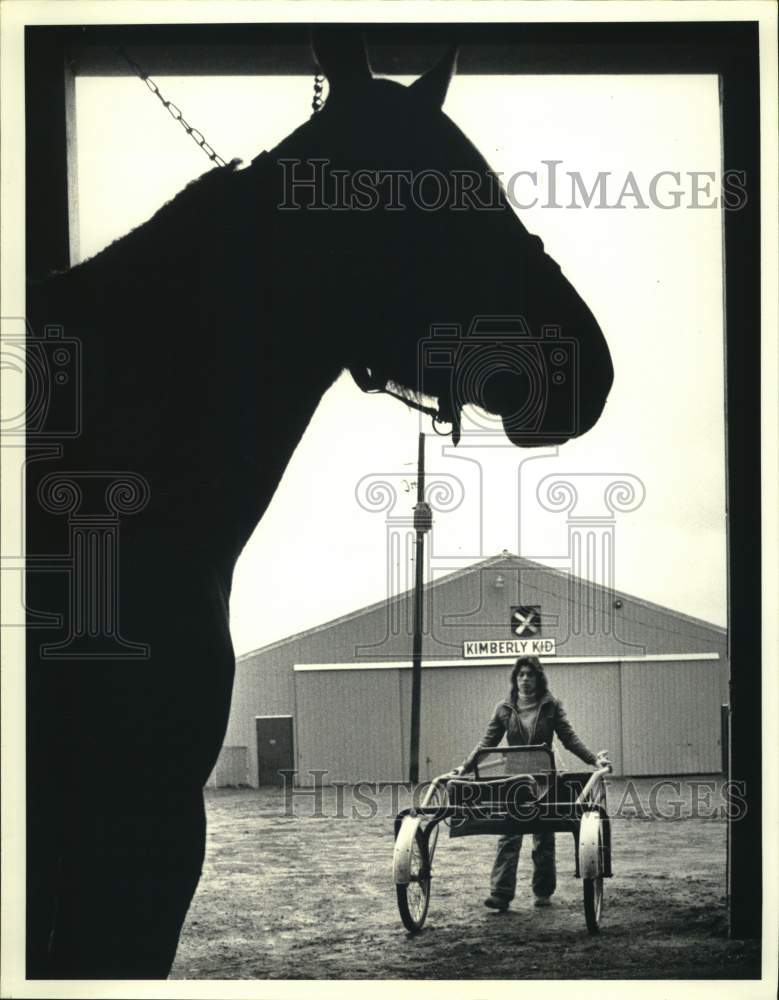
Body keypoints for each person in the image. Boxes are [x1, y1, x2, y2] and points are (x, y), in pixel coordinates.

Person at [456, 656, 610, 911]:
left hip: (544, 778)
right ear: (515, 679)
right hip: (514, 780)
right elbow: (486, 744)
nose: (525, 679)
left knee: (544, 835)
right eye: (521, 675)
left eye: (530, 674)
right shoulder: (503, 709)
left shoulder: (551, 706)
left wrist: (594, 760)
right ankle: (501, 894)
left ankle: (543, 892)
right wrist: (464, 768)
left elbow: (569, 739)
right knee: (508, 834)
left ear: (539, 679)